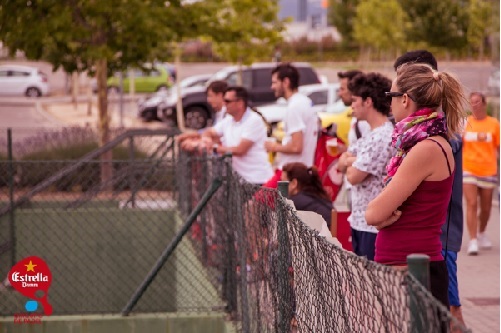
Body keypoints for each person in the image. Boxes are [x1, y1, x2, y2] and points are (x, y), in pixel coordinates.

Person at [365, 63, 467, 309]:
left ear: (405, 100)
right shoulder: (421, 144)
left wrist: (381, 216)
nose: (388, 103)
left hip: (412, 269)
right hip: (408, 266)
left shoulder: (426, 148)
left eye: (390, 96)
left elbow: (373, 213)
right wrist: (381, 216)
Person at [393, 50, 466, 326]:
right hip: (422, 237)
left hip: (441, 234)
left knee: (449, 309)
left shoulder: (440, 129)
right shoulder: (413, 129)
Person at [337, 72, 394, 260]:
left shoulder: (382, 136)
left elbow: (353, 176)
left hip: (373, 227)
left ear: (368, 101)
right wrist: (356, 161)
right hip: (360, 221)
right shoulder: (371, 133)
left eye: (355, 100)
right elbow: (342, 161)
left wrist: (352, 162)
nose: (352, 105)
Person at [200, 86, 273, 185]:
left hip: (257, 180)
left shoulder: (253, 120)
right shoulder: (229, 120)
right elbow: (210, 132)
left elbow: (240, 150)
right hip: (239, 181)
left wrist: (215, 148)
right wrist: (206, 139)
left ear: (240, 103)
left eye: (227, 101)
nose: (224, 104)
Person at [264, 63, 318, 188]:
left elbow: (296, 147)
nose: (272, 87)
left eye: (275, 82)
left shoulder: (294, 107)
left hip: (291, 174)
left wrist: (274, 146)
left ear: (286, 82)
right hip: (302, 171)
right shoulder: (305, 102)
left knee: (254, 205)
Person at [463, 92, 500, 255]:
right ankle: (472, 240)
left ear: (484, 104)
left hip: (488, 170)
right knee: (471, 203)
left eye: (478, 102)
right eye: (472, 103)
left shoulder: (493, 124)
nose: (475, 105)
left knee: (485, 208)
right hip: (469, 168)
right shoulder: (465, 123)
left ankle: (482, 232)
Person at [336, 70, 371, 210]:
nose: (339, 93)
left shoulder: (364, 122)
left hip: (358, 187)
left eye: (342, 89)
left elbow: (368, 155)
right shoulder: (358, 119)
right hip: (353, 186)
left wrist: (347, 160)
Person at [176, 80, 228, 150]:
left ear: (220, 95)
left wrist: (196, 140)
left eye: (210, 96)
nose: (208, 100)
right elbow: (212, 131)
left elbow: (216, 135)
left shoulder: (228, 114)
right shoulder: (219, 113)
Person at [281, 162, 332, 227]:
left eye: (283, 182)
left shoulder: (294, 202)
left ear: (294, 183)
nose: (279, 187)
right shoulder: (317, 195)